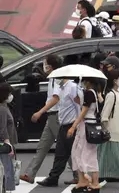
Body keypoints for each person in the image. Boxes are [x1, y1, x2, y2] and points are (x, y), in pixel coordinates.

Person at [22, 55, 65, 185]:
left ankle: (78, 173)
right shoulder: (53, 78)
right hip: (52, 116)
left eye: (45, 64)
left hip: (56, 116)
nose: (44, 66)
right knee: (42, 146)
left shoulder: (57, 79)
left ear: (50, 66)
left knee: (64, 147)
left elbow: (56, 98)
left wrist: (40, 112)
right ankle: (30, 174)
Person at [67, 77, 101, 193]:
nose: (83, 83)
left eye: (85, 81)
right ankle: (83, 181)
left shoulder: (90, 93)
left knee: (87, 155)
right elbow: (82, 104)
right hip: (86, 125)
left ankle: (94, 184)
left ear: (89, 82)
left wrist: (73, 126)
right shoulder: (92, 93)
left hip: (87, 125)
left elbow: (84, 111)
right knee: (77, 152)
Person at [96, 70, 119, 183]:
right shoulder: (111, 95)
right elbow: (105, 115)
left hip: (118, 130)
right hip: (113, 132)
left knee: (108, 157)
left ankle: (100, 177)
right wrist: (106, 130)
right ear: (115, 81)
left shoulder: (117, 94)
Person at [0, 83, 17, 193]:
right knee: (7, 169)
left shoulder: (4, 107)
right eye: (9, 93)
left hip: (6, 142)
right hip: (4, 143)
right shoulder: (2, 109)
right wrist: (7, 142)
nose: (11, 96)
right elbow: (2, 128)